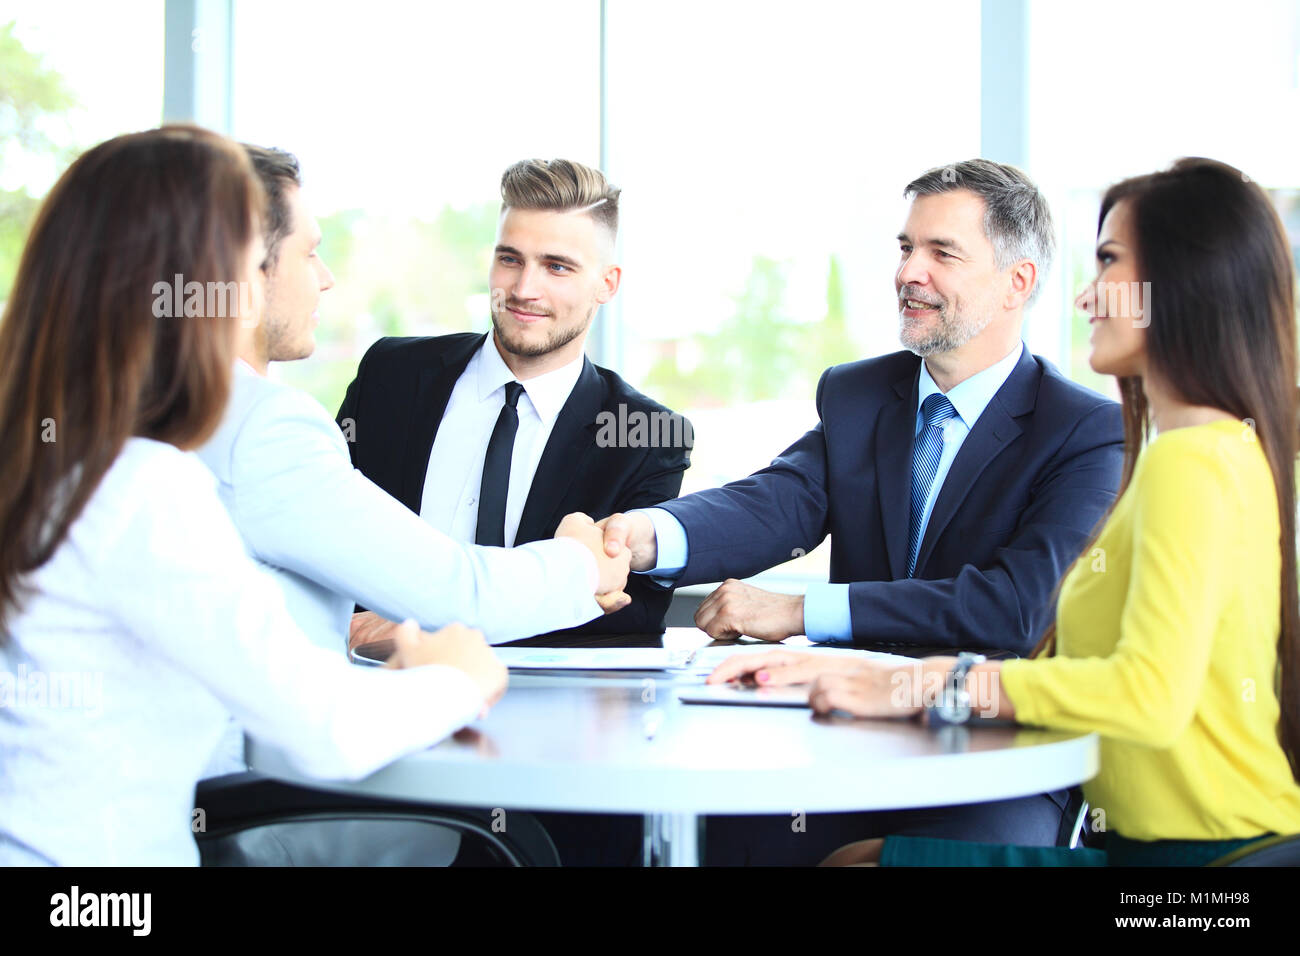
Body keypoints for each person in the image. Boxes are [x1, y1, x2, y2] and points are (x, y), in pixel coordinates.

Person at [710, 158, 1300, 866]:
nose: (1085, 295)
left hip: (1204, 865)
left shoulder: (1185, 460)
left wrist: (910, 682)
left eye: (1108, 262)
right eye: (905, 248)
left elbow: (1144, 691)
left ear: (1179, 285)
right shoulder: (1206, 452)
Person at [0, 126, 509, 866]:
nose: (312, 279)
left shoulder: (43, 464)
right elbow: (324, 727)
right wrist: (456, 678)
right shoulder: (139, 486)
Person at [601, 159, 1125, 862]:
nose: (910, 272)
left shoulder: (1084, 430)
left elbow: (1017, 606)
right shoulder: (857, 394)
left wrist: (799, 613)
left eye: (943, 253)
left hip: (993, 758)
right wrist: (644, 534)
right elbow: (778, 501)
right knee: (715, 838)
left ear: (1017, 282)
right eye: (907, 248)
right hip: (844, 740)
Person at [337, 158, 690, 640]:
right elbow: (329, 539)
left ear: (607, 283)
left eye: (557, 267)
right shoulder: (391, 376)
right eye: (510, 259)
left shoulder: (646, 434)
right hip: (368, 688)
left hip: (544, 708)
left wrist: (425, 628)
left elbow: (629, 614)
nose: (524, 289)